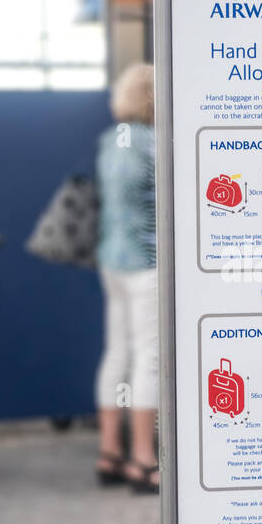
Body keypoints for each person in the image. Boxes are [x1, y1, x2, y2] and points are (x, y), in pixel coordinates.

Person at [94, 63, 159, 491]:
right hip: (147, 262)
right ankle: (142, 458)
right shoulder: (154, 145)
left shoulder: (110, 142)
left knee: (117, 351)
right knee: (148, 356)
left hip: (111, 260)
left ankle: (109, 451)